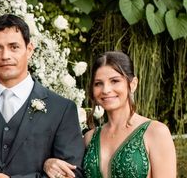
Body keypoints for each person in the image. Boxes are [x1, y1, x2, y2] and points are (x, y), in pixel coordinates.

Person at [0, 13, 84, 178]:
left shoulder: (61, 109)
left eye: (14, 47)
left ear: (29, 50)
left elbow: (72, 174)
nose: (5, 56)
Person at [44, 50, 176, 178]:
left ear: (133, 84)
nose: (106, 90)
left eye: (115, 81)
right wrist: (48, 164)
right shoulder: (89, 139)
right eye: (98, 83)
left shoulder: (156, 132)